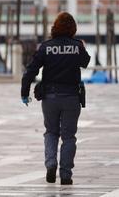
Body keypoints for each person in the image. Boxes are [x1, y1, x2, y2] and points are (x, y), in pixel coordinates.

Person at [21, 12, 90, 185]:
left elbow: (30, 70)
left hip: (50, 97)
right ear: (73, 28)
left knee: (51, 132)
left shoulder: (46, 46)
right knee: (69, 137)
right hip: (71, 97)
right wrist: (82, 46)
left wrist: (24, 92)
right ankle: (65, 175)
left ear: (55, 27)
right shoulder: (77, 46)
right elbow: (85, 62)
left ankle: (51, 163)